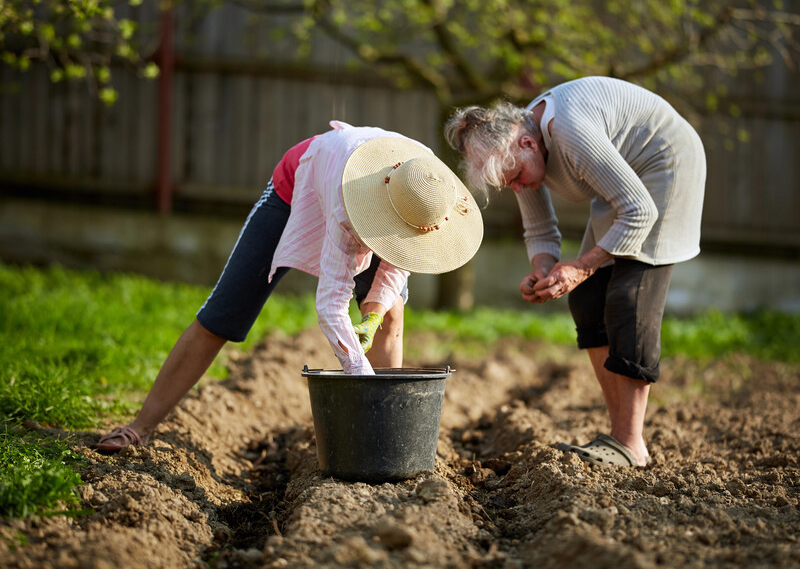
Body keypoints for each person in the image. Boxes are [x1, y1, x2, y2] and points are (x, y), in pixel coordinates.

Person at [96, 121, 484, 452]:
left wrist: (374, 313)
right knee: (224, 313)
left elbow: (400, 263)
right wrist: (358, 375)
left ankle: (380, 444)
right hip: (300, 182)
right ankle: (139, 427)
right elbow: (331, 303)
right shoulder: (351, 209)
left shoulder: (430, 195)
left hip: (383, 195)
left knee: (391, 313)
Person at [445, 76, 706, 467]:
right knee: (586, 300)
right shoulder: (519, 147)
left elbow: (639, 210)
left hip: (664, 167)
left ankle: (630, 443)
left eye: (515, 178)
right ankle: (619, 435)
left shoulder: (570, 134)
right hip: (622, 185)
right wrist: (544, 270)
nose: (517, 189)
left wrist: (582, 266)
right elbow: (539, 228)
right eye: (507, 185)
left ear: (528, 143)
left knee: (627, 299)